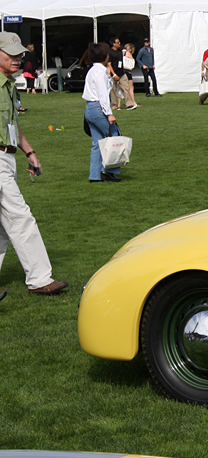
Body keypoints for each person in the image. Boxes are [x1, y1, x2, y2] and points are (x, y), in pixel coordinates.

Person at [0, 32, 68, 296]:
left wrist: (29, 152)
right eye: (11, 54)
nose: (18, 59)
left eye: (19, 54)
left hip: (7, 157)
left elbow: (12, 124)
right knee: (20, 217)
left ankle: (40, 280)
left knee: (5, 228)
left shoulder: (7, 85)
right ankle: (40, 280)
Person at [82, 42, 122, 183]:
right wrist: (109, 113)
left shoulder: (93, 70)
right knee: (115, 136)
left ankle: (95, 175)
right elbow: (103, 95)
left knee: (97, 142)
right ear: (104, 56)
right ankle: (109, 171)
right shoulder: (99, 71)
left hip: (90, 108)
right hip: (98, 107)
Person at [119, 43, 139, 110]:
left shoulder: (121, 52)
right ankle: (133, 102)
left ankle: (118, 103)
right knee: (130, 87)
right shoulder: (128, 53)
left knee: (121, 88)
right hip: (127, 71)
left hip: (122, 71)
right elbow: (132, 62)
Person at [108, 37, 124, 109]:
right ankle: (114, 105)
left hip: (121, 73)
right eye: (118, 42)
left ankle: (130, 103)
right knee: (113, 90)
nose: (119, 44)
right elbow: (109, 64)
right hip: (113, 73)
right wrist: (113, 74)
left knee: (125, 88)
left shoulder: (120, 51)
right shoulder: (110, 52)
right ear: (113, 44)